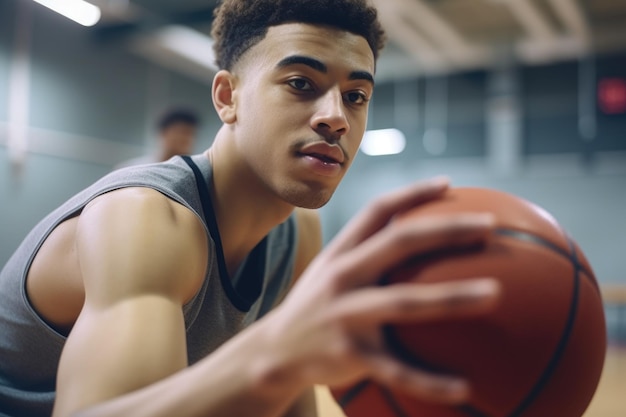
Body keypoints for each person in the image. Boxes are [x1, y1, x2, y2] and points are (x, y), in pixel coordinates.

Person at [0, 1, 501, 416]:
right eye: (301, 83)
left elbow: (290, 403)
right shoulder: (146, 219)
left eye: (355, 95)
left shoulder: (298, 230)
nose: (336, 118)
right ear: (227, 97)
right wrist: (276, 354)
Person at [114, 107, 201, 169]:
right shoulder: (131, 169)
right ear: (163, 133)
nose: (186, 139)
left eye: (191, 134)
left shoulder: (195, 175)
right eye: (181, 132)